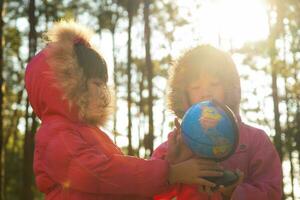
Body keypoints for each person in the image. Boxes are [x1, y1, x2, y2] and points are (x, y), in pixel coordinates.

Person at [25, 21, 224, 200]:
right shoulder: (56, 133)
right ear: (67, 84)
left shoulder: (93, 135)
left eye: (104, 84)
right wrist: (170, 172)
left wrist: (170, 164)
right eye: (96, 83)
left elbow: (129, 186)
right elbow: (98, 173)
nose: (104, 91)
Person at [152, 45, 283, 200]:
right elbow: (150, 192)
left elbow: (272, 191)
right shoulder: (171, 147)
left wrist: (234, 192)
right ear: (184, 94)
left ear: (228, 88)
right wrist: (172, 169)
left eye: (214, 84)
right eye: (195, 87)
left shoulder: (255, 140)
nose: (205, 92)